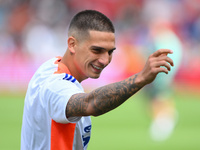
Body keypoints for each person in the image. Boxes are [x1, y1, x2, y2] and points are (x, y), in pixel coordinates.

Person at [21, 10, 174, 150]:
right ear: (72, 44)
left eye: (110, 52)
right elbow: (90, 104)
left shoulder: (51, 67)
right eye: (97, 50)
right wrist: (140, 78)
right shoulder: (55, 86)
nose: (105, 60)